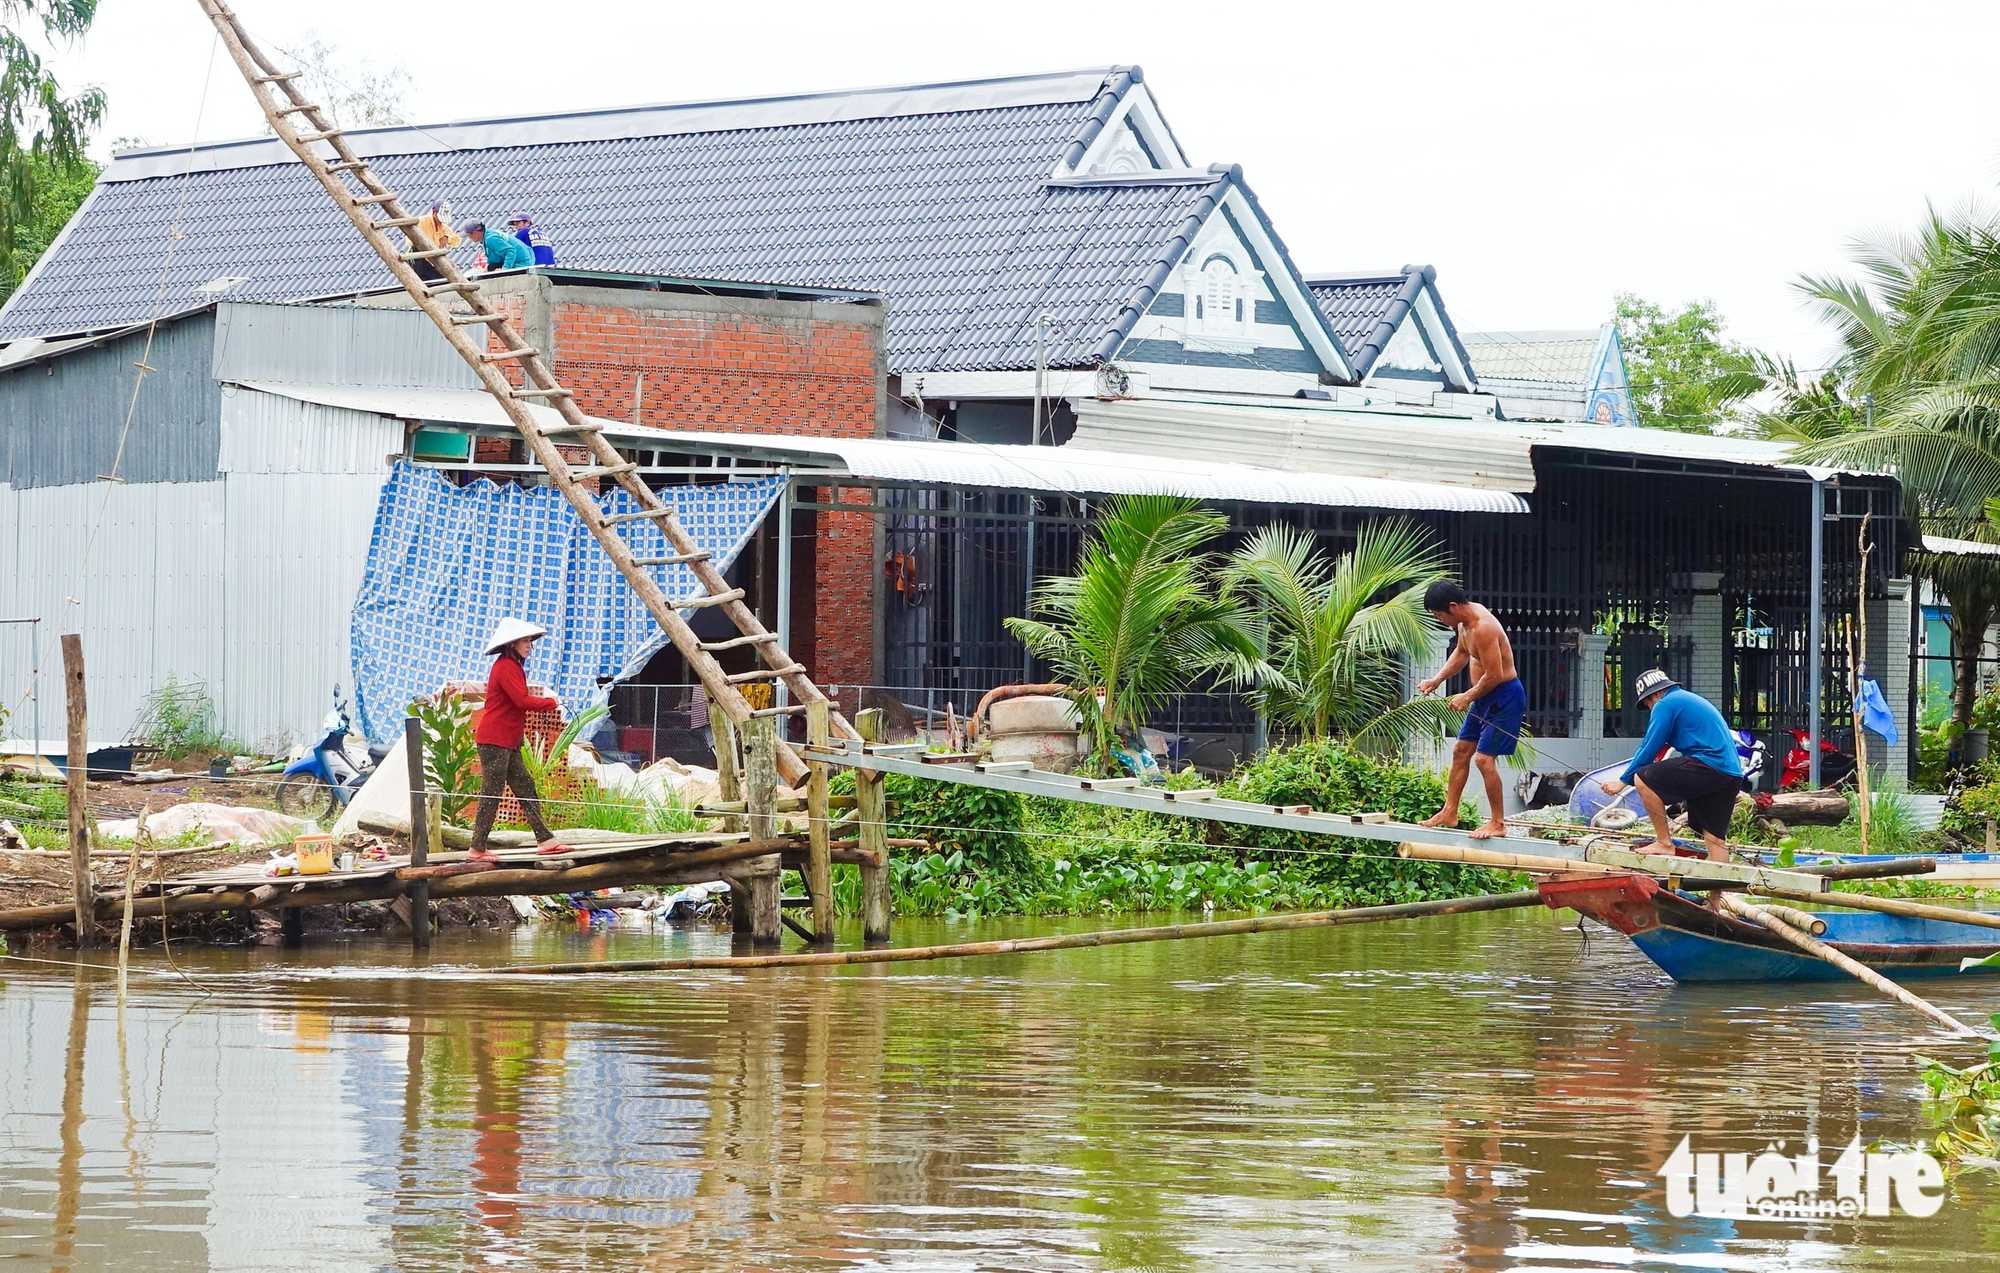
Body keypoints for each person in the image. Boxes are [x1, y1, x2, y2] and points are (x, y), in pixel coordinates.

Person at [1598, 668, 1744, 862]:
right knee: (1714, 839)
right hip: (1730, 774)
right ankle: (1718, 893)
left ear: (1656, 693)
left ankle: (1664, 842)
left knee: (1642, 778)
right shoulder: (1686, 700)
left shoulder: (1665, 703)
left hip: (1708, 765)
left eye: (1648, 702)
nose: (1650, 708)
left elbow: (1649, 746)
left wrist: (1623, 781)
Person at [1415, 580, 1523, 840]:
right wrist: (1436, 680)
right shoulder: (1464, 623)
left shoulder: (1483, 627)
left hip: (1504, 696)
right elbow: (1462, 654)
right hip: (1485, 696)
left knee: (1484, 760)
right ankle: (1449, 812)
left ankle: (1498, 823)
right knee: (1461, 751)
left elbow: (1495, 674)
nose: (1440, 620)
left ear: (1453, 606)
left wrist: (1467, 696)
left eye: (1440, 615)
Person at [468, 617, 572, 860]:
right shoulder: (505, 667)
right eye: (526, 640)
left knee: (525, 787)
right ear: (512, 643)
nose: (530, 646)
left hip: (507, 740)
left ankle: (545, 839)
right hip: (495, 739)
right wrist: (551, 702)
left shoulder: (513, 666)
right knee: (491, 792)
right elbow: (522, 701)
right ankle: (477, 848)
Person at [410, 201, 460, 282]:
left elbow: (457, 240)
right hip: (419, 259)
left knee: (444, 279)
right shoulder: (422, 222)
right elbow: (410, 240)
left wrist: (447, 239)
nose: (440, 221)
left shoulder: (444, 228)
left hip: (434, 261)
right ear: (434, 212)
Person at [461, 219, 534, 272]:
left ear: (475, 233)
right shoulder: (487, 236)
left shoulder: (491, 239)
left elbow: (511, 250)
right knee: (489, 268)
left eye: (469, 235)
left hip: (521, 263)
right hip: (524, 259)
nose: (469, 238)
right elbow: (492, 258)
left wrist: (505, 269)